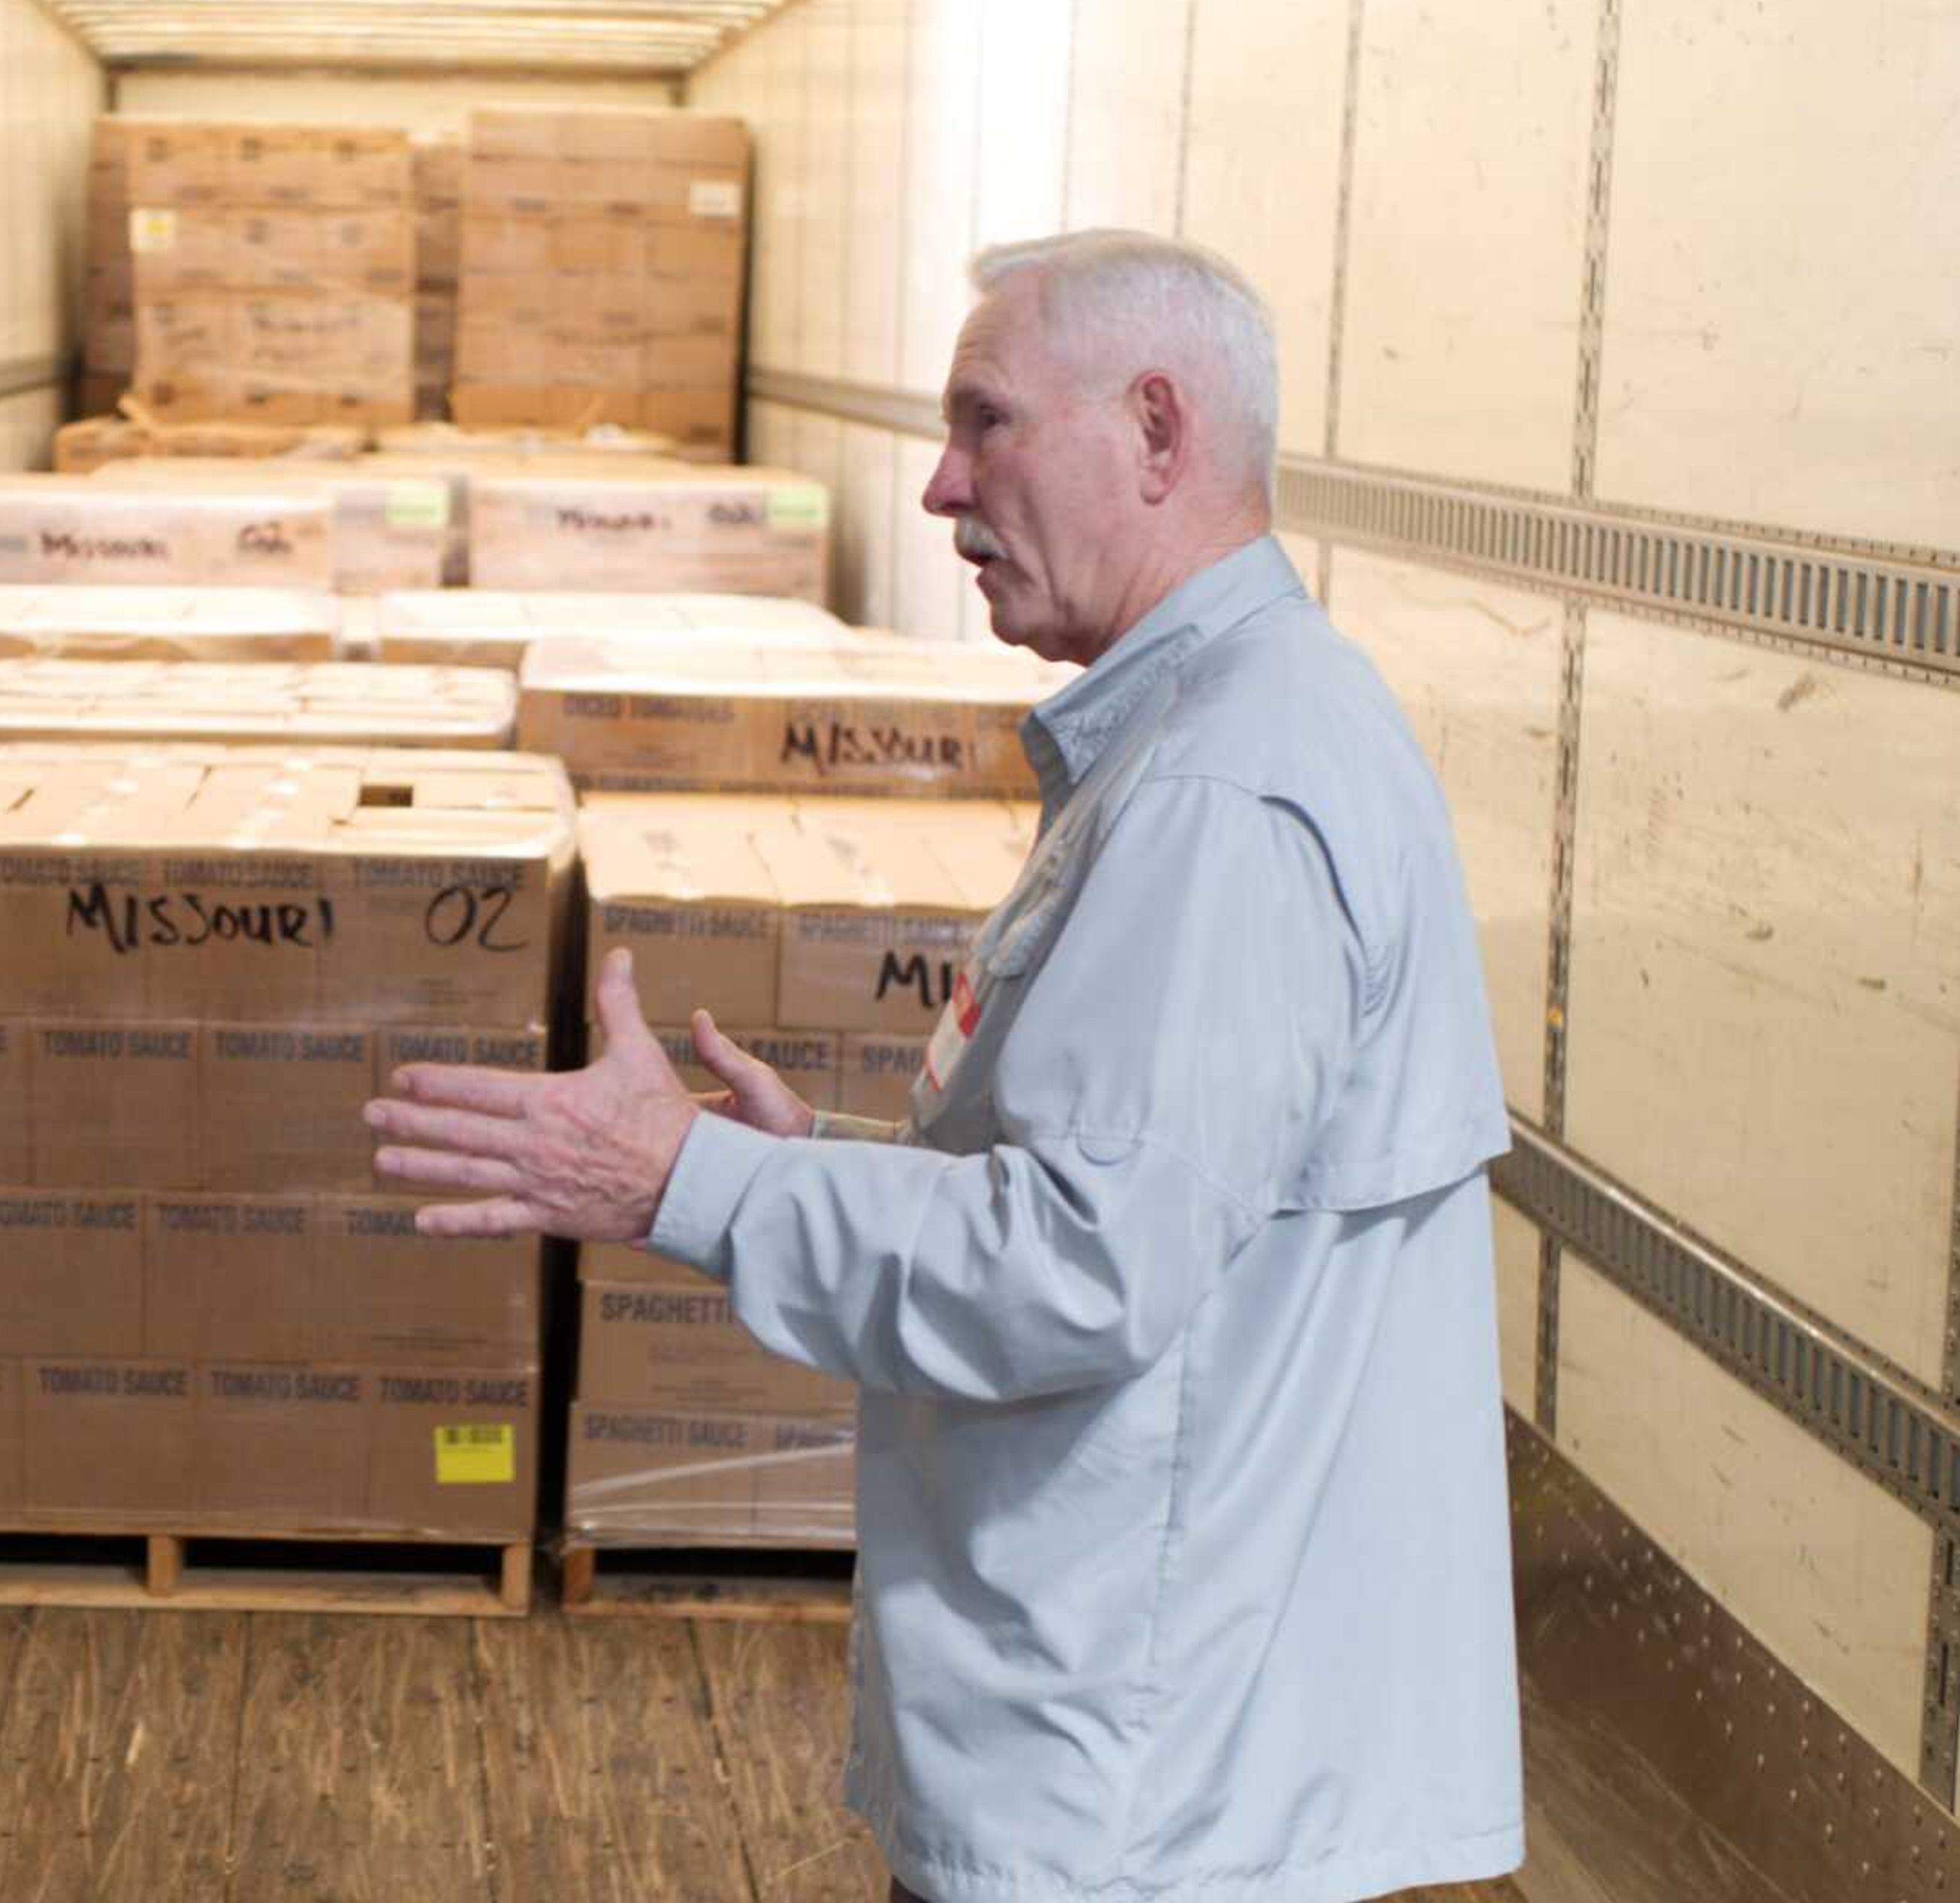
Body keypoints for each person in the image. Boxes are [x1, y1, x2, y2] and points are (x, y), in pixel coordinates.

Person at [368, 232, 1524, 1903]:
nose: (936, 486)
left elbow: (1079, 1266)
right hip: (1149, 1755)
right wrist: (826, 1155)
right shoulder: (1226, 736)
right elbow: (1155, 1185)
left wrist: (684, 1179)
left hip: (1143, 1794)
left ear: (1154, 431)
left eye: (986, 423)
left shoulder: (1223, 797)